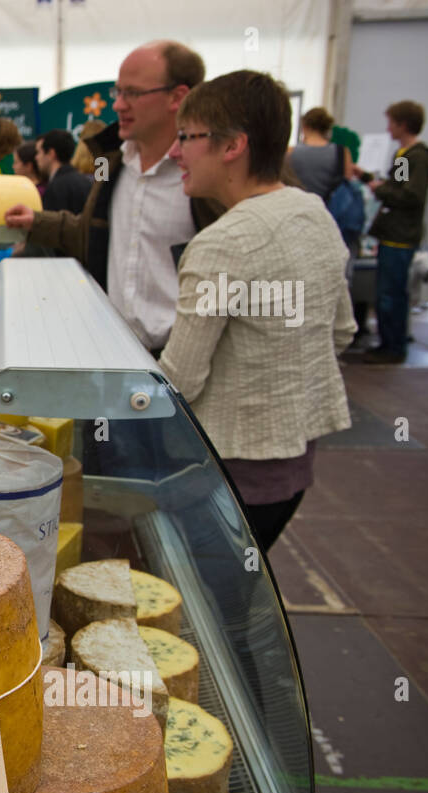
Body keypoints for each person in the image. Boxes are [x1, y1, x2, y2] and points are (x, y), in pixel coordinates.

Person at [159, 70, 355, 551]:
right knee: (245, 591)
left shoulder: (222, 244)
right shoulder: (313, 212)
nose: (174, 151)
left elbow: (180, 379)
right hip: (294, 462)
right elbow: (342, 331)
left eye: (186, 137)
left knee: (211, 604)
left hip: (230, 469)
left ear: (233, 146)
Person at [4, 40, 220, 353]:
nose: (118, 105)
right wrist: (36, 221)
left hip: (184, 360)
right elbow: (91, 231)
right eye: (117, 92)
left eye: (132, 93)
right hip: (116, 351)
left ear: (178, 97)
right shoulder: (111, 163)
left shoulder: (208, 175)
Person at [363, 99, 428, 364]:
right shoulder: (404, 154)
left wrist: (379, 189)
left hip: (401, 236)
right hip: (393, 232)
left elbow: (410, 196)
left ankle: (393, 346)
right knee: (389, 292)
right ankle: (390, 341)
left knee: (390, 293)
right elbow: (399, 188)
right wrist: (375, 183)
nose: (388, 128)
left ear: (402, 124)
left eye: (391, 122)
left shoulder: (418, 157)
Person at [288, 107, 355, 200]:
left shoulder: (290, 152)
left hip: (297, 207)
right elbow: (347, 181)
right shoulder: (342, 152)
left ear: (305, 126)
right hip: (329, 210)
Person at [34, 129, 92, 214]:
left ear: (51, 153)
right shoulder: (86, 182)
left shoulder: (54, 188)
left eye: (39, 152)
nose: (36, 157)